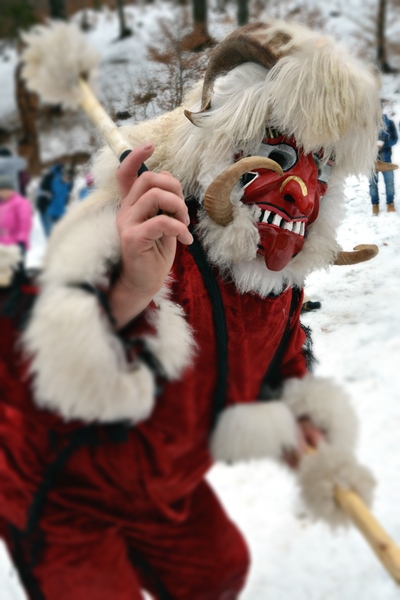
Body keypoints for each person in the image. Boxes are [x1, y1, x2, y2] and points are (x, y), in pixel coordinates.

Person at [0, 19, 381, 600]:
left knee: (218, 571)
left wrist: (300, 421)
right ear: (227, 140)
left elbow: (279, 369)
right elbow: (40, 367)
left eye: (320, 168)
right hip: (64, 485)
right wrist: (128, 285)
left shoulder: (271, 284)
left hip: (164, 484)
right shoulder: (149, 237)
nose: (300, 188)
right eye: (277, 151)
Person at [0, 174, 33, 286]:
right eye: (1, 190)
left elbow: (25, 222)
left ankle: (22, 290)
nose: (3, 193)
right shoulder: (1, 203)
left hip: (17, 240)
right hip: (2, 239)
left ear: (11, 189)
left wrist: (20, 238)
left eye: (6, 189)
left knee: (18, 268)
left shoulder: (20, 203)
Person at [369, 113, 398, 215]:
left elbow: (395, 139)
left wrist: (384, 144)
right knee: (373, 184)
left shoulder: (389, 123)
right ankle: (375, 205)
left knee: (389, 184)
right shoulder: (367, 124)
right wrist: (372, 145)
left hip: (386, 160)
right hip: (372, 162)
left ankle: (390, 204)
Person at [36, 162, 74, 236]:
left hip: (60, 212)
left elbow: (65, 196)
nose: (67, 179)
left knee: (61, 234)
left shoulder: (69, 184)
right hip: (49, 211)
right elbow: (42, 192)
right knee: (50, 234)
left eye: (69, 177)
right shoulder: (53, 180)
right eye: (65, 176)